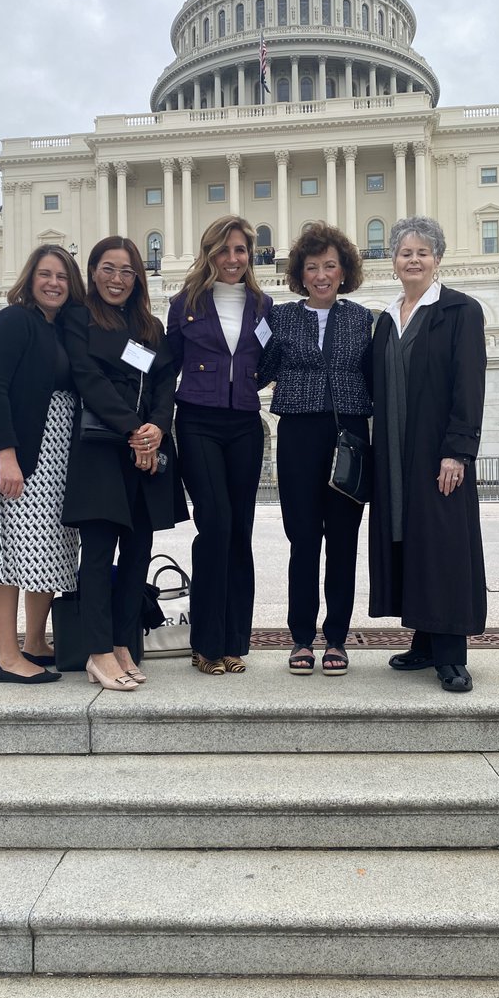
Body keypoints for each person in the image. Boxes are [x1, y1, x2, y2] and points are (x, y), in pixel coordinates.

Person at [368, 216, 487, 693]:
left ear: (437, 259)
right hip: (395, 452)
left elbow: (469, 384)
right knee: (407, 539)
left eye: (422, 252)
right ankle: (423, 640)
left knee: (443, 545)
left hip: (438, 452)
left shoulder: (460, 310)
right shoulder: (386, 318)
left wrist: (457, 451)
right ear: (393, 261)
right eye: (404, 253)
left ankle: (452, 654)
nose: (413, 260)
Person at [62, 236, 186, 691]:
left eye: (127, 271)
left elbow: (164, 382)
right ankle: (97, 651)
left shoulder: (150, 326)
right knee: (97, 555)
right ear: (93, 272)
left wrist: (156, 428)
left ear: (138, 277)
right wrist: (134, 429)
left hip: (145, 454)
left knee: (137, 555)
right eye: (108, 269)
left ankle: (122, 644)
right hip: (101, 448)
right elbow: (87, 378)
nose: (117, 279)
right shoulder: (80, 319)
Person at [0, 244, 87, 684]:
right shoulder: (12, 320)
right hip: (14, 455)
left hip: (54, 456)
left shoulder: (63, 329)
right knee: (4, 556)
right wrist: (7, 457)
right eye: (45, 274)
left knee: (46, 550)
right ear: (30, 278)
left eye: (62, 276)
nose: (54, 283)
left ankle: (36, 642)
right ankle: (7, 656)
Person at [258, 222, 372, 675]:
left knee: (343, 543)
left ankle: (338, 639)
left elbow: (377, 380)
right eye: (312, 267)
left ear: (344, 271)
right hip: (300, 436)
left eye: (330, 265)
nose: (322, 274)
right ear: (300, 274)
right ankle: (301, 637)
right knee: (303, 541)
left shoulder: (363, 319)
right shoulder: (280, 318)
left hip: (349, 437)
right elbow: (258, 370)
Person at [166, 215, 273, 675]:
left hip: (244, 425)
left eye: (240, 250)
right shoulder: (184, 302)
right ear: (209, 254)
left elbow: (268, 362)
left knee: (240, 530)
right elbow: (166, 364)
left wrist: (247, 384)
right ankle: (204, 642)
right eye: (224, 250)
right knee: (216, 525)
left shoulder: (262, 304)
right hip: (197, 422)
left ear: (249, 255)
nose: (233, 259)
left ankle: (234, 642)